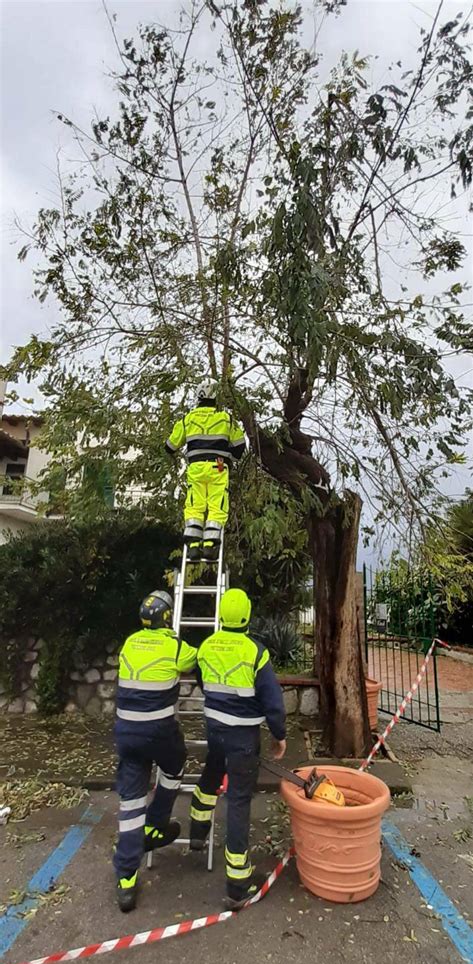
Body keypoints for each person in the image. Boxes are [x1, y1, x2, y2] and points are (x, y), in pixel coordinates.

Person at [189, 588, 286, 909]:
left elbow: (203, 681)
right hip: (243, 739)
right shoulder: (256, 653)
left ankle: (198, 830)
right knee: (239, 802)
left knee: (211, 774)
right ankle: (237, 882)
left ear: (221, 616)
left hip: (215, 729)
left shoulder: (205, 647)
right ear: (247, 617)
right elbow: (272, 701)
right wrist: (279, 735)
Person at [114, 590, 197, 912]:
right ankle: (157, 823)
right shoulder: (174, 647)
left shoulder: (129, 643)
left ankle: (126, 881)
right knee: (174, 766)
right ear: (167, 617)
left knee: (131, 802)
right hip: (159, 732)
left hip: (126, 733)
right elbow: (196, 660)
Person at [165, 380, 245, 563]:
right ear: (216, 397)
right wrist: (228, 457)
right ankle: (210, 546)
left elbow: (170, 446)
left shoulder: (188, 419)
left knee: (194, 504)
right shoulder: (226, 418)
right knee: (217, 505)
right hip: (218, 466)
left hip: (196, 468)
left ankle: (193, 546)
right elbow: (240, 447)